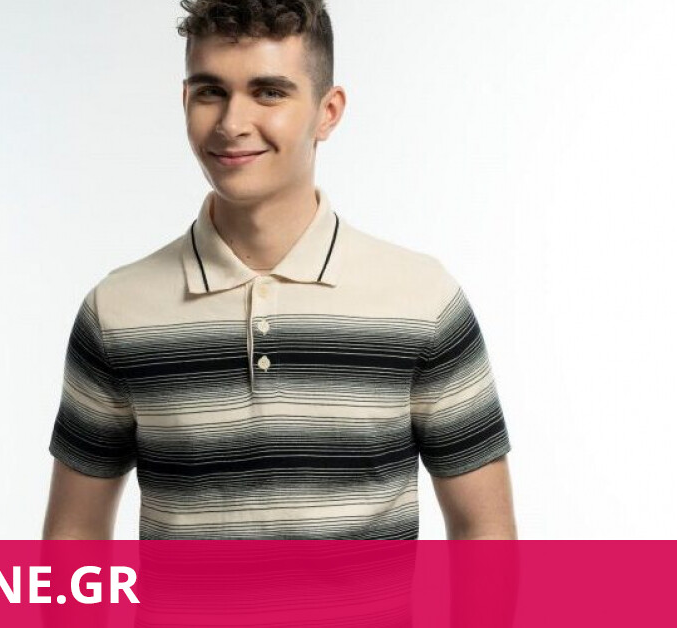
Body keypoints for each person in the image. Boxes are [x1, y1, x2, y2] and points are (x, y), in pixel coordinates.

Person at [42, 0, 516, 541]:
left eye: (268, 92)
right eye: (210, 91)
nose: (232, 124)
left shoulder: (424, 301)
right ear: (185, 100)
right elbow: (74, 537)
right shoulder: (116, 311)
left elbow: (485, 532)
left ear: (328, 112)